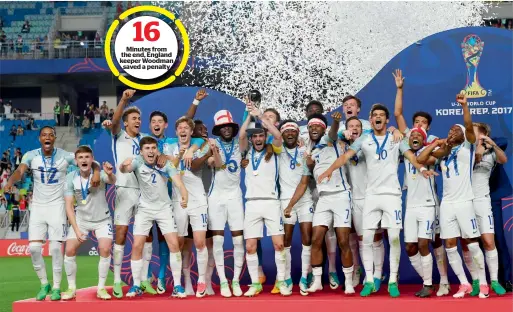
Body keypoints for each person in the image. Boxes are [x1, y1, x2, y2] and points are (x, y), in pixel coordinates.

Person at [318, 104, 433, 298]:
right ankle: (369, 280)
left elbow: (411, 157)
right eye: (375, 115)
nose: (378, 117)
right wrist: (329, 170)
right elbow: (346, 155)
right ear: (370, 120)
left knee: (394, 238)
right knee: (367, 240)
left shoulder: (396, 138)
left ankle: (393, 281)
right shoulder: (364, 139)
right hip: (372, 196)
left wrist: (421, 170)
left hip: (392, 196)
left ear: (387, 120)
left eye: (382, 115)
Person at [3, 126, 101, 301]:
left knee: (56, 248)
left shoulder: (65, 155)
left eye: (51, 135)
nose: (47, 137)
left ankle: (56, 287)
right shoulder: (30, 156)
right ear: (39, 138)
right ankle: (44, 283)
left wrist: (97, 172)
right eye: (44, 135)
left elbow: (89, 161)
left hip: (57, 206)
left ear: (54, 138)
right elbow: (20, 171)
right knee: (34, 248)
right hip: (38, 207)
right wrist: (11, 181)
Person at [417, 94, 488, 298]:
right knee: (449, 246)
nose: (452, 131)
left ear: (464, 135)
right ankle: (464, 284)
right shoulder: (443, 152)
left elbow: (467, 123)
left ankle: (482, 283)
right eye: (450, 130)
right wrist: (437, 143)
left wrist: (465, 106)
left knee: (472, 243)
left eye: (456, 130)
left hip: (465, 202)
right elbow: (421, 159)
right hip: (447, 203)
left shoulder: (468, 146)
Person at [392, 69, 449, 296]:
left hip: (428, 202)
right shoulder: (408, 140)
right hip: (411, 204)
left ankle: (436, 281)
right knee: (410, 247)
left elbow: (436, 157)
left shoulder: (433, 141)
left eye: (423, 123)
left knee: (430, 243)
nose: (419, 125)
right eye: (416, 122)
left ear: (429, 127)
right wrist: (399, 89)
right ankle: (429, 280)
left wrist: (428, 151)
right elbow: (397, 114)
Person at [120, 137, 188, 298]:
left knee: (174, 244)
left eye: (153, 148)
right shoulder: (137, 161)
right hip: (144, 209)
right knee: (137, 245)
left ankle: (177, 285)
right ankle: (136, 285)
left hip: (164, 209)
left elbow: (178, 181)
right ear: (141, 151)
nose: (150, 151)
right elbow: (125, 169)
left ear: (157, 150)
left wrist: (184, 193)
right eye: (147, 148)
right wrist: (123, 165)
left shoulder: (166, 164)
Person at [297, 112, 355, 295]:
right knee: (316, 239)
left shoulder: (332, 140)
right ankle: (317, 281)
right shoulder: (310, 153)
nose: (314, 129)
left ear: (323, 128)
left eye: (318, 126)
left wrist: (336, 121)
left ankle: (349, 282)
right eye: (311, 127)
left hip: (341, 196)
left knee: (343, 240)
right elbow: (306, 178)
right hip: (323, 198)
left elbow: (334, 132)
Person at [239, 103, 290, 297]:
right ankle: (255, 284)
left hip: (271, 202)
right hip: (251, 203)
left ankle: (283, 282)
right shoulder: (246, 152)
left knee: (279, 244)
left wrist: (260, 115)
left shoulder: (274, 149)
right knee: (251, 246)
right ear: (252, 139)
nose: (258, 139)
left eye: (261, 135)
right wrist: (248, 116)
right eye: (255, 136)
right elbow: (241, 136)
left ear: (264, 136)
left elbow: (278, 136)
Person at [61, 147, 116, 300]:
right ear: (76, 161)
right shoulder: (70, 178)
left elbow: (112, 181)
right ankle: (71, 288)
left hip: (102, 220)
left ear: (92, 159)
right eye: (81, 157)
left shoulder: (100, 174)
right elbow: (68, 206)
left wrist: (110, 174)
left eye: (87, 157)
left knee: (105, 249)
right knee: (69, 251)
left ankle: (101, 288)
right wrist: (77, 230)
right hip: (81, 221)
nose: (84, 160)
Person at [164, 116, 210, 298]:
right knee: (179, 243)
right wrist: (179, 155)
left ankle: (201, 281)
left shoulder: (200, 145)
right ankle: (180, 283)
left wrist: (191, 150)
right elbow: (169, 166)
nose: (183, 130)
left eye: (186, 128)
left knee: (199, 242)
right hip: (178, 200)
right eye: (180, 128)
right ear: (176, 132)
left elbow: (201, 147)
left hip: (198, 199)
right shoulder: (168, 146)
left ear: (192, 132)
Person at [108, 89, 147, 298]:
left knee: (145, 236)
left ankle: (143, 280)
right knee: (121, 235)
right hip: (124, 190)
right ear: (126, 123)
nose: (138, 121)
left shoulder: (145, 140)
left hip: (144, 193)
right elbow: (113, 123)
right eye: (133, 118)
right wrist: (123, 99)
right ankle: (116, 281)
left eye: (139, 118)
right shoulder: (118, 136)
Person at [341, 116, 386, 290]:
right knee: (359, 238)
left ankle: (377, 274)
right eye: (350, 126)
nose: (354, 128)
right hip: (353, 198)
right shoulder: (342, 145)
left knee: (375, 237)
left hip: (371, 196)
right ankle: (361, 272)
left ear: (362, 129)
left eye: (357, 126)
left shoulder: (369, 143)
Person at [207, 109, 245, 297]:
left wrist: (249, 111)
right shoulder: (211, 144)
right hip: (216, 196)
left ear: (233, 127)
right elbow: (218, 164)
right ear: (218, 129)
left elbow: (245, 131)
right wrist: (213, 150)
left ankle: (236, 280)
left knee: (238, 240)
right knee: (218, 240)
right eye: (222, 127)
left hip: (235, 196)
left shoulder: (240, 144)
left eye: (229, 126)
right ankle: (223, 281)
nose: (226, 129)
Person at [466, 122, 507, 296]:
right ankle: (478, 282)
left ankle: (495, 281)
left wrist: (491, 144)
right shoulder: (464, 151)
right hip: (465, 202)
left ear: (483, 134)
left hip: (483, 201)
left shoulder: (491, 152)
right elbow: (474, 157)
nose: (470, 135)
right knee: (471, 245)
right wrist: (478, 150)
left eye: (474, 132)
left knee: (489, 242)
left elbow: (503, 159)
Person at [278, 120, 314, 295]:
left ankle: (304, 278)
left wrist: (308, 158)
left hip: (304, 199)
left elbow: (306, 179)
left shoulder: (304, 152)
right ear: (282, 135)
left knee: (307, 240)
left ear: (298, 134)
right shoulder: (277, 151)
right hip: (285, 200)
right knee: (286, 242)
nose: (290, 134)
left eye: (293, 131)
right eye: (286, 132)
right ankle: (286, 278)